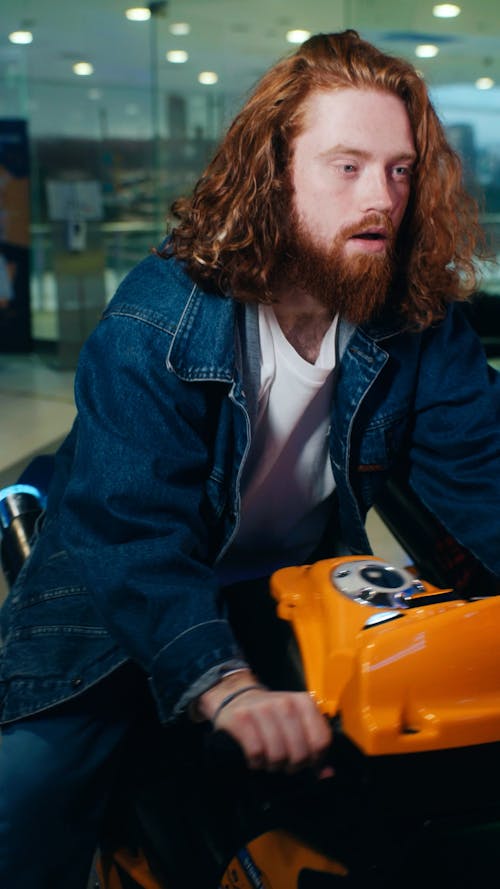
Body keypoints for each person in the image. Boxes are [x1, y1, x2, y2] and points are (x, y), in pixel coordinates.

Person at [1, 29, 499, 888]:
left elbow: (485, 481)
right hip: (115, 606)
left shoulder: (416, 315)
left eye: (399, 169)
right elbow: (130, 535)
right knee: (29, 793)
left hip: (290, 592)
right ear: (275, 175)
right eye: (347, 166)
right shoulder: (156, 318)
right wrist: (223, 683)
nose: (381, 196)